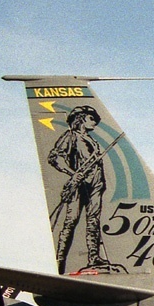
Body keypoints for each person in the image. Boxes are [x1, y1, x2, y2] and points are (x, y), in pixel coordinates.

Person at [48, 105, 110, 273]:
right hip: (79, 184)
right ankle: (61, 260)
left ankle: (94, 258)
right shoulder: (70, 136)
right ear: (81, 119)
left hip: (96, 184)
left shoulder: (93, 141)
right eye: (91, 119)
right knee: (71, 221)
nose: (95, 124)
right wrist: (73, 174)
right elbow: (55, 157)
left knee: (93, 221)